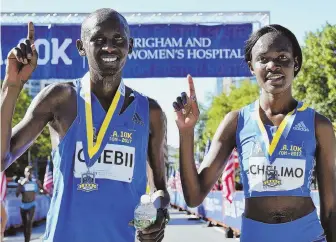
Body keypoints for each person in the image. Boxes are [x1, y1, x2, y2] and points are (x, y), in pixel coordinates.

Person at [1, 8, 169, 242]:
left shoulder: (151, 112)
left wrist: (160, 213)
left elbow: (159, 188)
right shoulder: (60, 98)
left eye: (118, 39)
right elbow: (2, 159)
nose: (109, 47)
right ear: (81, 47)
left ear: (130, 45)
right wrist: (11, 86)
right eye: (98, 40)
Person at [173, 24, 336, 242]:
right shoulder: (236, 121)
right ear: (251, 66)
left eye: (282, 57)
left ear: (295, 63)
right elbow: (194, 197)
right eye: (263, 59)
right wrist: (186, 131)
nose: (273, 65)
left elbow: (331, 210)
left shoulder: (318, 124)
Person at [15, 166, 45, 242]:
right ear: (25, 173)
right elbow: (17, 194)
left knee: (29, 223)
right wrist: (20, 185)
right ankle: (26, 240)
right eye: (27, 171)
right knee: (25, 225)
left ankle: (27, 240)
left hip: (32, 205)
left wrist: (40, 185)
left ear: (32, 173)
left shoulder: (35, 182)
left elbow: (43, 191)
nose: (29, 173)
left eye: (30, 171)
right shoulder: (22, 182)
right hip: (23, 206)